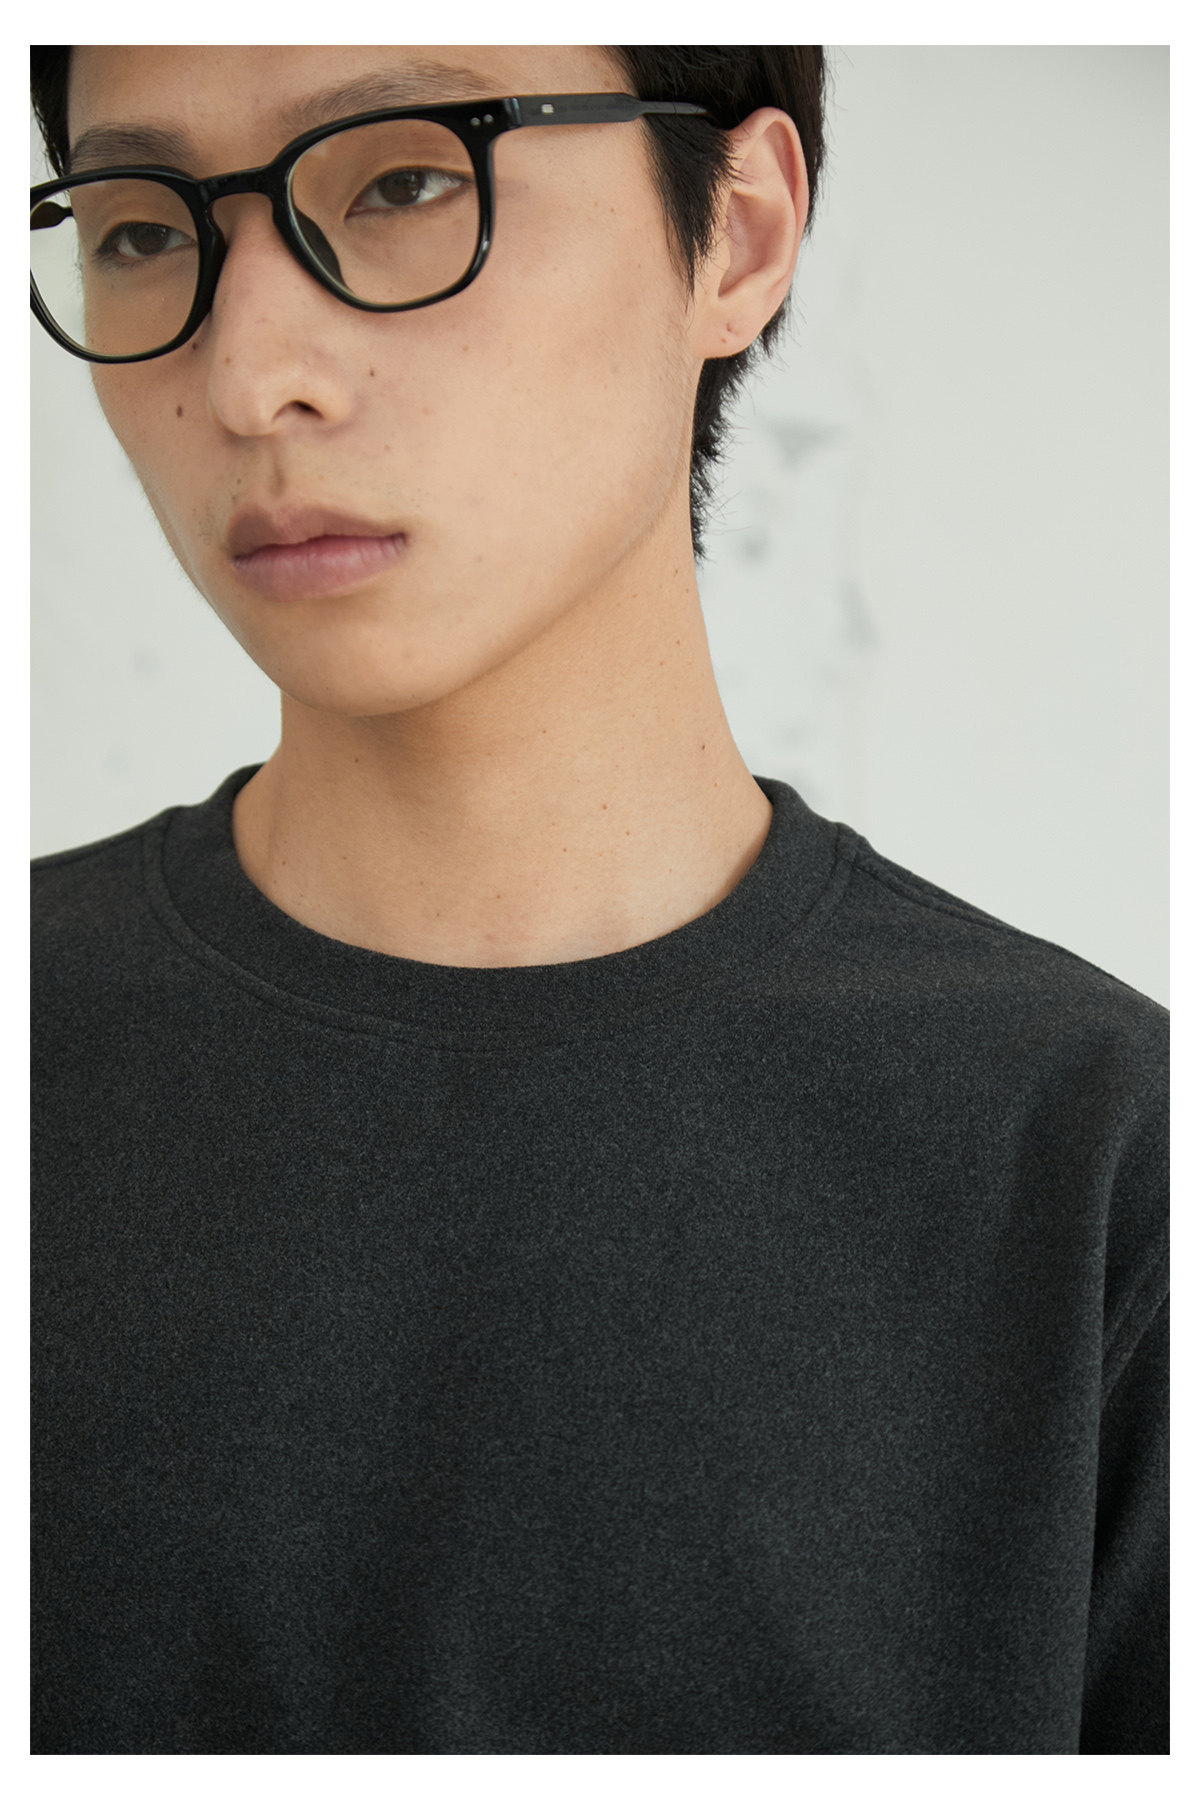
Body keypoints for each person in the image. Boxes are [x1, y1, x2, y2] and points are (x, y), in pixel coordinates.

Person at [30, 43, 1168, 1756]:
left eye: (405, 182)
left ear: (739, 233)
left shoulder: (1093, 1167)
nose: (250, 375)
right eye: (140, 229)